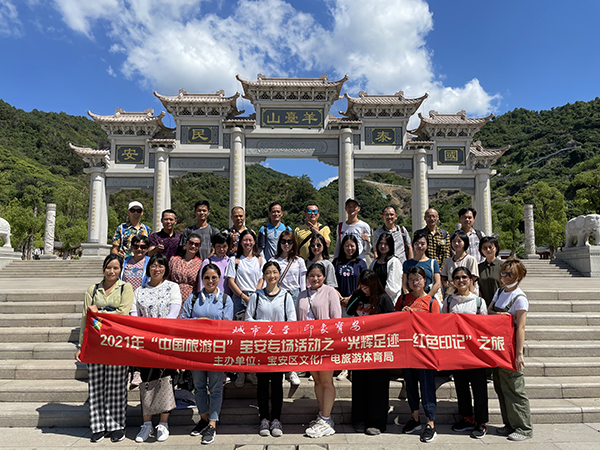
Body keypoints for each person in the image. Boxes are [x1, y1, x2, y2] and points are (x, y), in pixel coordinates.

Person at [75, 254, 133, 443]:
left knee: (116, 386)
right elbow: (86, 318)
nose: (111, 271)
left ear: (120, 270)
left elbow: (122, 313)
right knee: (96, 385)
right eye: (109, 267)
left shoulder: (125, 288)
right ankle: (98, 426)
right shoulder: (92, 290)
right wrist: (82, 345)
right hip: (95, 344)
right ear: (103, 268)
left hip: (116, 343)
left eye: (116, 268)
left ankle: (116, 425)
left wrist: (98, 313)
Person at [130, 254, 182, 443]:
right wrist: (147, 332)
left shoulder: (172, 287)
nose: (157, 269)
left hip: (165, 341)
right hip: (145, 342)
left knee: (165, 380)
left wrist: (157, 331)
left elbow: (174, 312)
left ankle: (163, 423)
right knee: (146, 381)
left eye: (160, 266)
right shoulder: (139, 290)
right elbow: (134, 314)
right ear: (148, 268)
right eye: (153, 265)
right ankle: (146, 424)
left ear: (165, 269)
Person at [180, 263, 233, 445]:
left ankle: (213, 423)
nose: (210, 281)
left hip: (217, 350)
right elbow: (183, 321)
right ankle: (203, 418)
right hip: (197, 349)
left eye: (214, 277)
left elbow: (227, 326)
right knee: (199, 386)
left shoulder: (226, 300)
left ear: (219, 279)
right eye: (207, 278)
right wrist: (199, 321)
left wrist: (208, 324)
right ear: (202, 280)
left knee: (216, 387)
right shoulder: (193, 298)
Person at [245, 261, 297, 438]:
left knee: (277, 383)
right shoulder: (256, 296)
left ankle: (276, 419)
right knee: (262, 384)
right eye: (268, 272)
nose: (271, 275)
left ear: (279, 274)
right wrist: (264, 324)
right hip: (261, 347)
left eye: (274, 272)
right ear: (264, 275)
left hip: (278, 347)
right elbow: (248, 320)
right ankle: (264, 419)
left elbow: (292, 321)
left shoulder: (286, 296)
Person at [488, 258, 533, 441]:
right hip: (497, 346)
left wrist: (519, 354)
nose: (505, 277)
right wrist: (500, 316)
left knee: (515, 389)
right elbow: (488, 311)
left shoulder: (520, 298)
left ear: (519, 276)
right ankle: (509, 424)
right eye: (504, 273)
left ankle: (523, 428)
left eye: (510, 274)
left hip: (511, 348)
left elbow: (521, 328)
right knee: (501, 387)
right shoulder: (499, 291)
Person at [346, 270, 395, 435]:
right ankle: (359, 419)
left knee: (377, 387)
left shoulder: (383, 298)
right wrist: (358, 294)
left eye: (367, 286)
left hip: (378, 350)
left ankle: (377, 422)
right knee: (359, 385)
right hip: (359, 349)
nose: (365, 288)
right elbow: (349, 311)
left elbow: (392, 323)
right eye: (362, 284)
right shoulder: (358, 296)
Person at [442, 266, 489, 439]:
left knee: (479, 388)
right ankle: (467, 418)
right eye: (457, 277)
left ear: (470, 279)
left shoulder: (479, 302)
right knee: (461, 386)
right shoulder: (448, 301)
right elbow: (443, 324)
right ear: (453, 281)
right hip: (457, 351)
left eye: (464, 277)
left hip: (475, 352)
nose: (461, 280)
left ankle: (481, 422)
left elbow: (485, 327)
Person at [297, 263, 343, 438]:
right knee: (316, 380)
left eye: (318, 275)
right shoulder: (302, 294)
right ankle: (322, 414)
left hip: (325, 343)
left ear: (324, 277)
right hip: (308, 344)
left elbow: (336, 319)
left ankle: (326, 418)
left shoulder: (330, 292)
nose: (315, 279)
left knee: (326, 380)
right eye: (312, 275)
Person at [395, 266, 440, 443]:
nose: (415, 282)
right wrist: (401, 314)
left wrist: (418, 317)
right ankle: (414, 419)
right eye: (411, 279)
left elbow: (436, 328)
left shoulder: (431, 302)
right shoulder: (402, 299)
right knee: (411, 386)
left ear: (425, 281)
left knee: (427, 388)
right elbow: (393, 321)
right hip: (407, 350)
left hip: (425, 353)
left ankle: (430, 423)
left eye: (418, 279)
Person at [225, 229, 264, 387]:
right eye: (245, 240)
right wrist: (243, 296)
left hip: (256, 297)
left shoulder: (260, 259)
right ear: (240, 242)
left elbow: (262, 279)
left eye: (250, 240)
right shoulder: (234, 260)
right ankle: (240, 372)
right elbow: (230, 281)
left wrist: (254, 296)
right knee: (240, 337)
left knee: (254, 336)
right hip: (238, 298)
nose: (248, 243)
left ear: (254, 242)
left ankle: (252, 371)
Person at [402, 231, 442, 307]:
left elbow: (437, 284)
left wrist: (426, 299)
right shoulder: (407, 263)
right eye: (417, 243)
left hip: (428, 300)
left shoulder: (433, 263)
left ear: (427, 246)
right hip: (411, 301)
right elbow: (404, 285)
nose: (419, 246)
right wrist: (408, 298)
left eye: (422, 244)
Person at [333, 234, 368, 309]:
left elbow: (364, 283)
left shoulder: (361, 263)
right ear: (342, 247)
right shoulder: (336, 262)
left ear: (356, 246)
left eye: (352, 246)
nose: (349, 248)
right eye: (347, 246)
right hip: (338, 302)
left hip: (356, 302)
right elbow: (331, 282)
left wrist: (350, 298)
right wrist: (341, 298)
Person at [441, 230, 479, 296]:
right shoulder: (448, 261)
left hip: (467, 294)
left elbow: (473, 280)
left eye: (459, 241)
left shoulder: (471, 259)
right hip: (452, 295)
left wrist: (472, 295)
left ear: (465, 242)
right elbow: (443, 280)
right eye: (454, 241)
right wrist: (449, 284)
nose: (456, 244)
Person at [169, 233, 203, 303]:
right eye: (191, 243)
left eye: (196, 244)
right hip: (173, 296)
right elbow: (167, 278)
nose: (193, 246)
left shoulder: (201, 263)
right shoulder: (174, 260)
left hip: (192, 298)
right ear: (186, 243)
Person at [370, 232, 403, 305]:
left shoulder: (394, 261)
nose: (382, 246)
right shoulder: (374, 262)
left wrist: (381, 297)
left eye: (386, 244)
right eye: (381, 243)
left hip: (389, 301)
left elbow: (393, 287)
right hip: (375, 300)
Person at [478, 236, 502, 307]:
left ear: (496, 248)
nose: (488, 250)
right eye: (485, 248)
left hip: (500, 305)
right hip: (483, 306)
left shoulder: (503, 266)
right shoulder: (478, 267)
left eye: (490, 247)